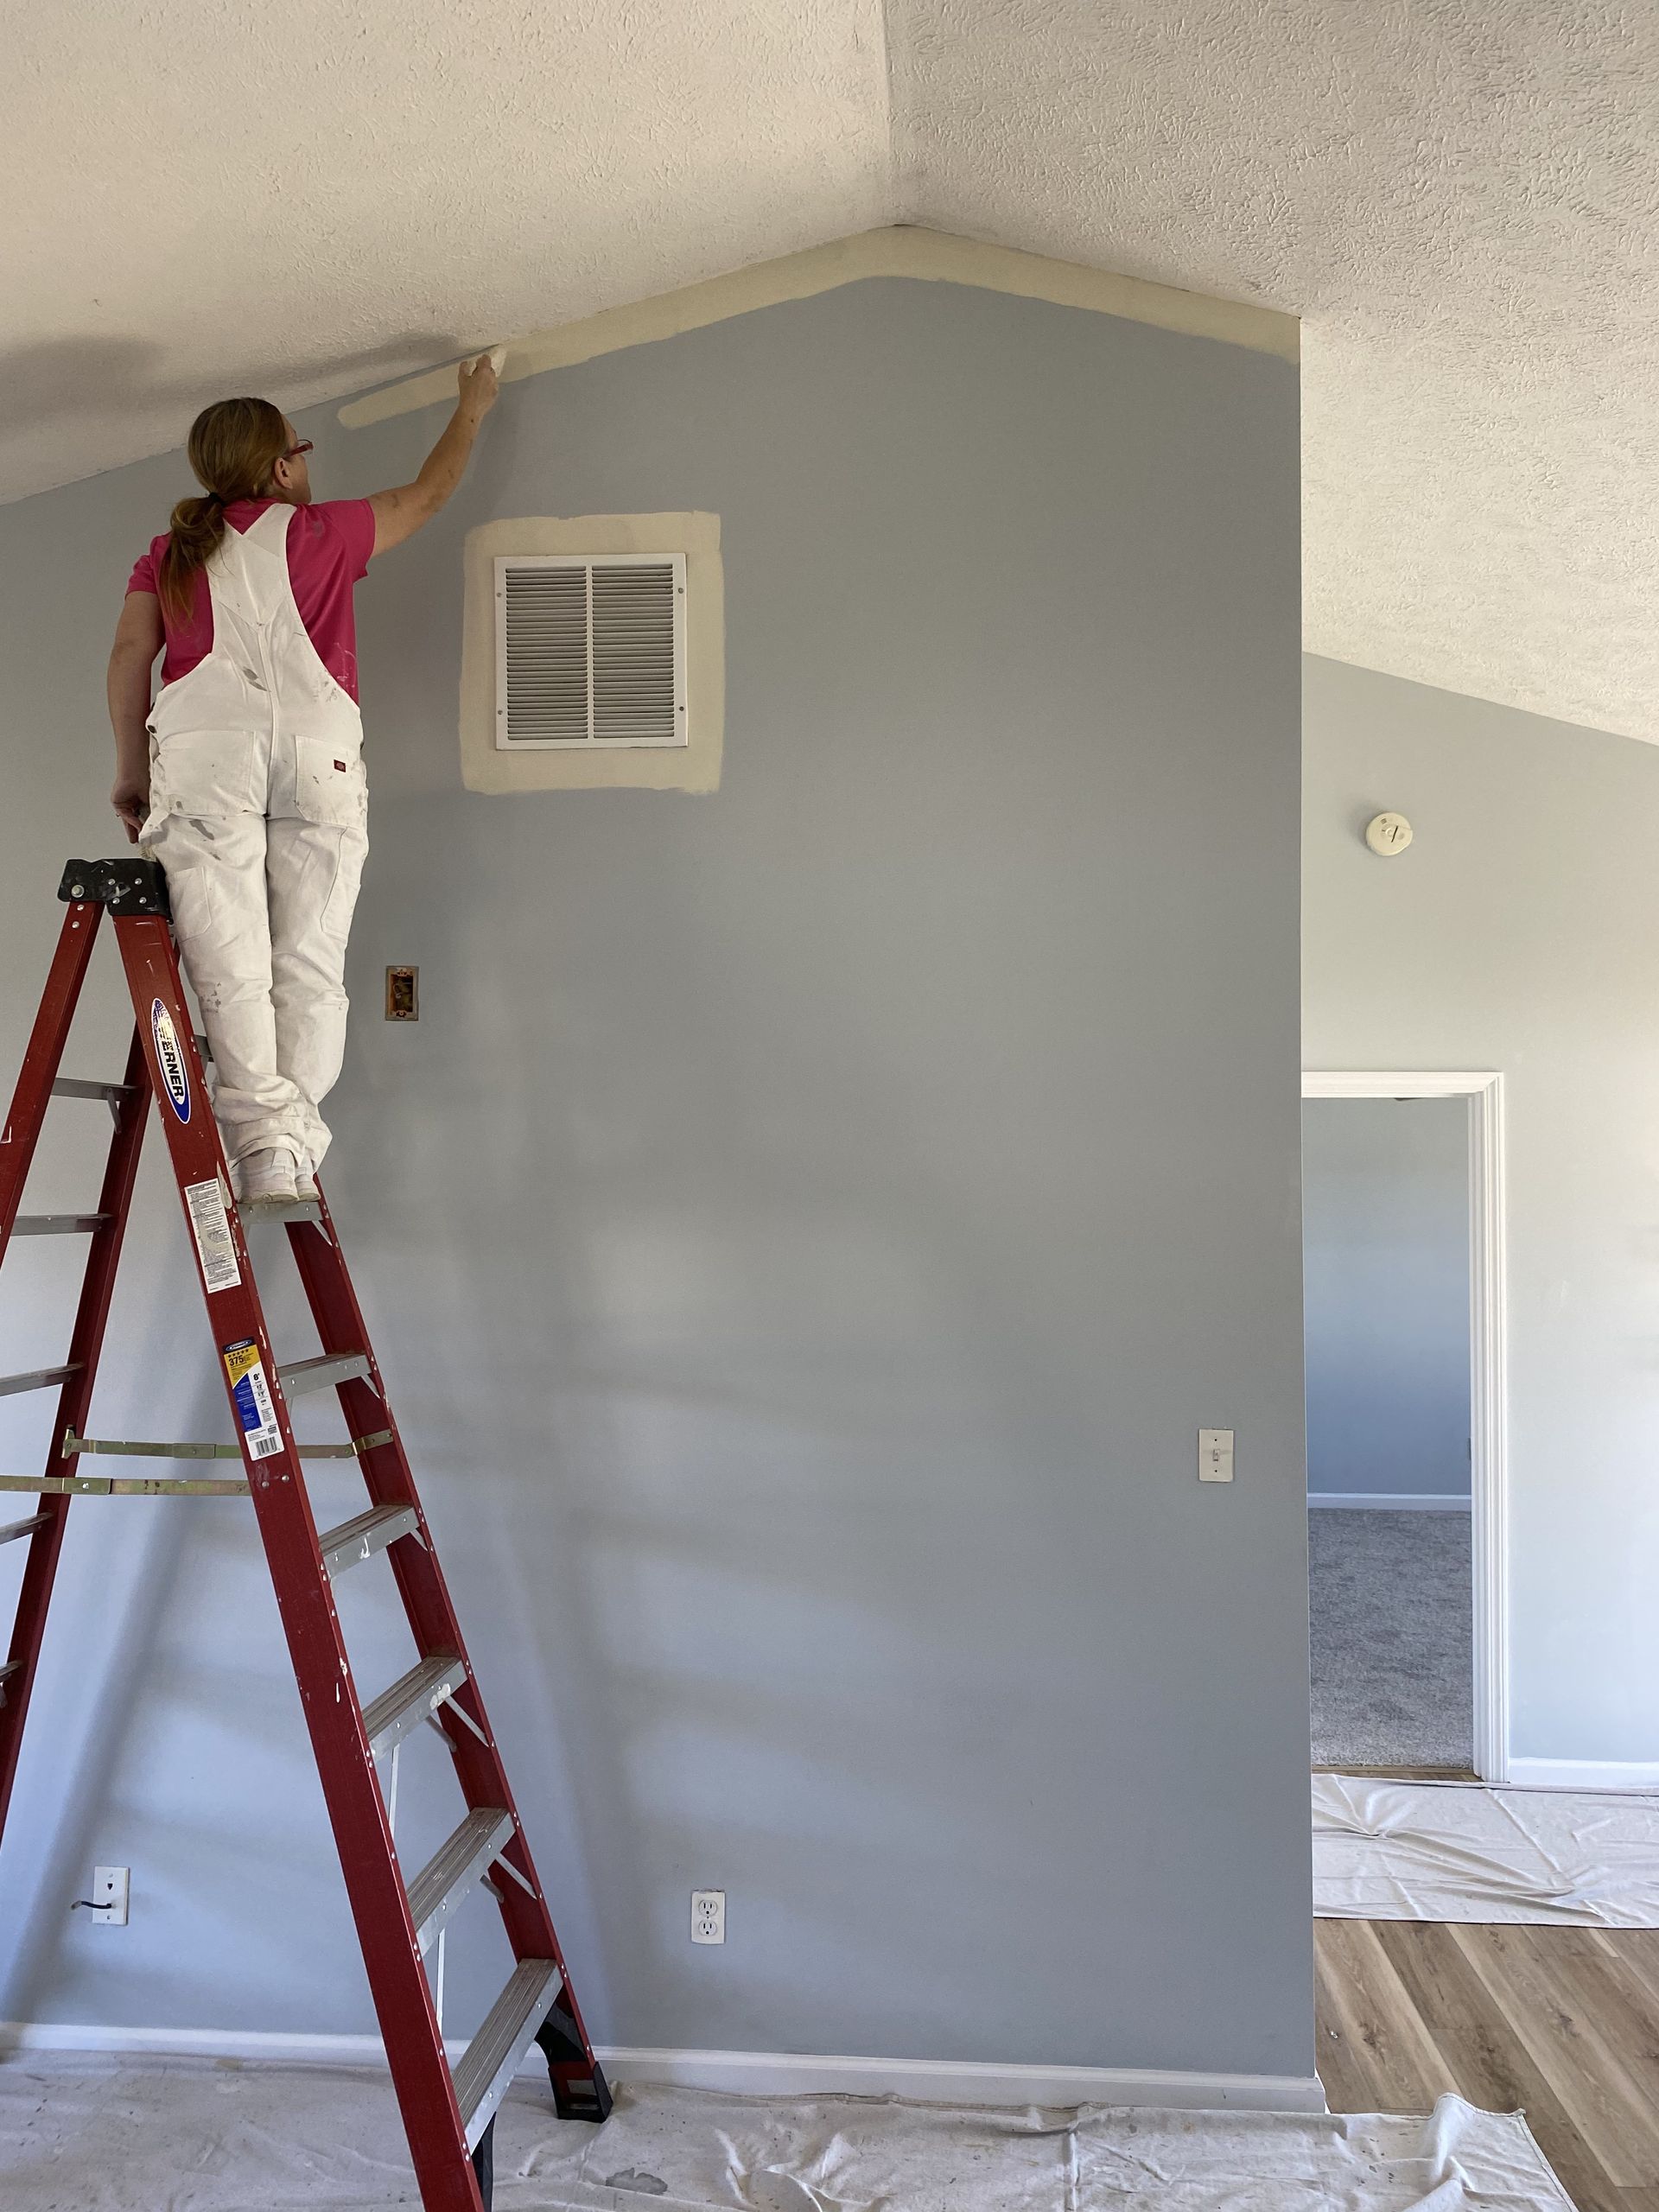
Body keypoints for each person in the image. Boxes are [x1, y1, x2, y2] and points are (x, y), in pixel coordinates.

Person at [107, 355, 499, 1205]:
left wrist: (130, 774)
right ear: (281, 466)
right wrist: (472, 407)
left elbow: (132, 655)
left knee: (232, 963)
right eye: (304, 450)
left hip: (208, 759)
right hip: (318, 757)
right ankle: (293, 1148)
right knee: (309, 960)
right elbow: (430, 492)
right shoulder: (326, 532)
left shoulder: (171, 552)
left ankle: (264, 1150)